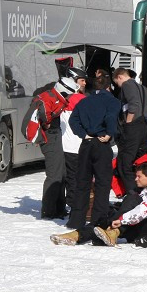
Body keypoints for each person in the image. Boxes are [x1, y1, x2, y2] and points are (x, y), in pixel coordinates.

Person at [61, 73, 122, 235]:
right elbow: (111, 117)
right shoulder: (113, 101)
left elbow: (74, 121)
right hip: (102, 143)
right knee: (102, 183)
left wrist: (83, 134)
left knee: (82, 182)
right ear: (109, 87)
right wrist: (109, 133)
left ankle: (76, 218)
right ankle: (98, 219)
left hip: (86, 144)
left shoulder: (84, 101)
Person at [28, 67, 85, 219]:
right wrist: (46, 123)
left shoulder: (54, 94)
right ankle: (49, 210)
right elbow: (44, 113)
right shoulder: (51, 96)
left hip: (54, 135)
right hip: (50, 137)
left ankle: (59, 208)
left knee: (62, 173)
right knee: (55, 174)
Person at [86, 162, 147, 247]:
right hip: (143, 223)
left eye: (139, 176)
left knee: (132, 201)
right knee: (115, 209)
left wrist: (121, 220)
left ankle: (107, 231)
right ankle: (86, 233)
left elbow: (142, 211)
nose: (136, 179)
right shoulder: (144, 188)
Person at [112, 68, 147, 194]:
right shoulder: (143, 88)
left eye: (116, 83)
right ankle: (145, 189)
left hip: (133, 127)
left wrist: (128, 122)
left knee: (124, 163)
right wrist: (144, 117)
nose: (118, 86)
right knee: (140, 160)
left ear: (120, 77)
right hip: (144, 127)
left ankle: (132, 193)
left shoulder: (127, 85)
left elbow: (134, 104)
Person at [59, 69, 88, 217]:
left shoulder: (62, 98)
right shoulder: (79, 99)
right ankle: (74, 204)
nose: (85, 83)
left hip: (67, 144)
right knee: (77, 177)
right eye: (82, 80)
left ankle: (70, 203)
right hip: (77, 145)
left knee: (70, 177)